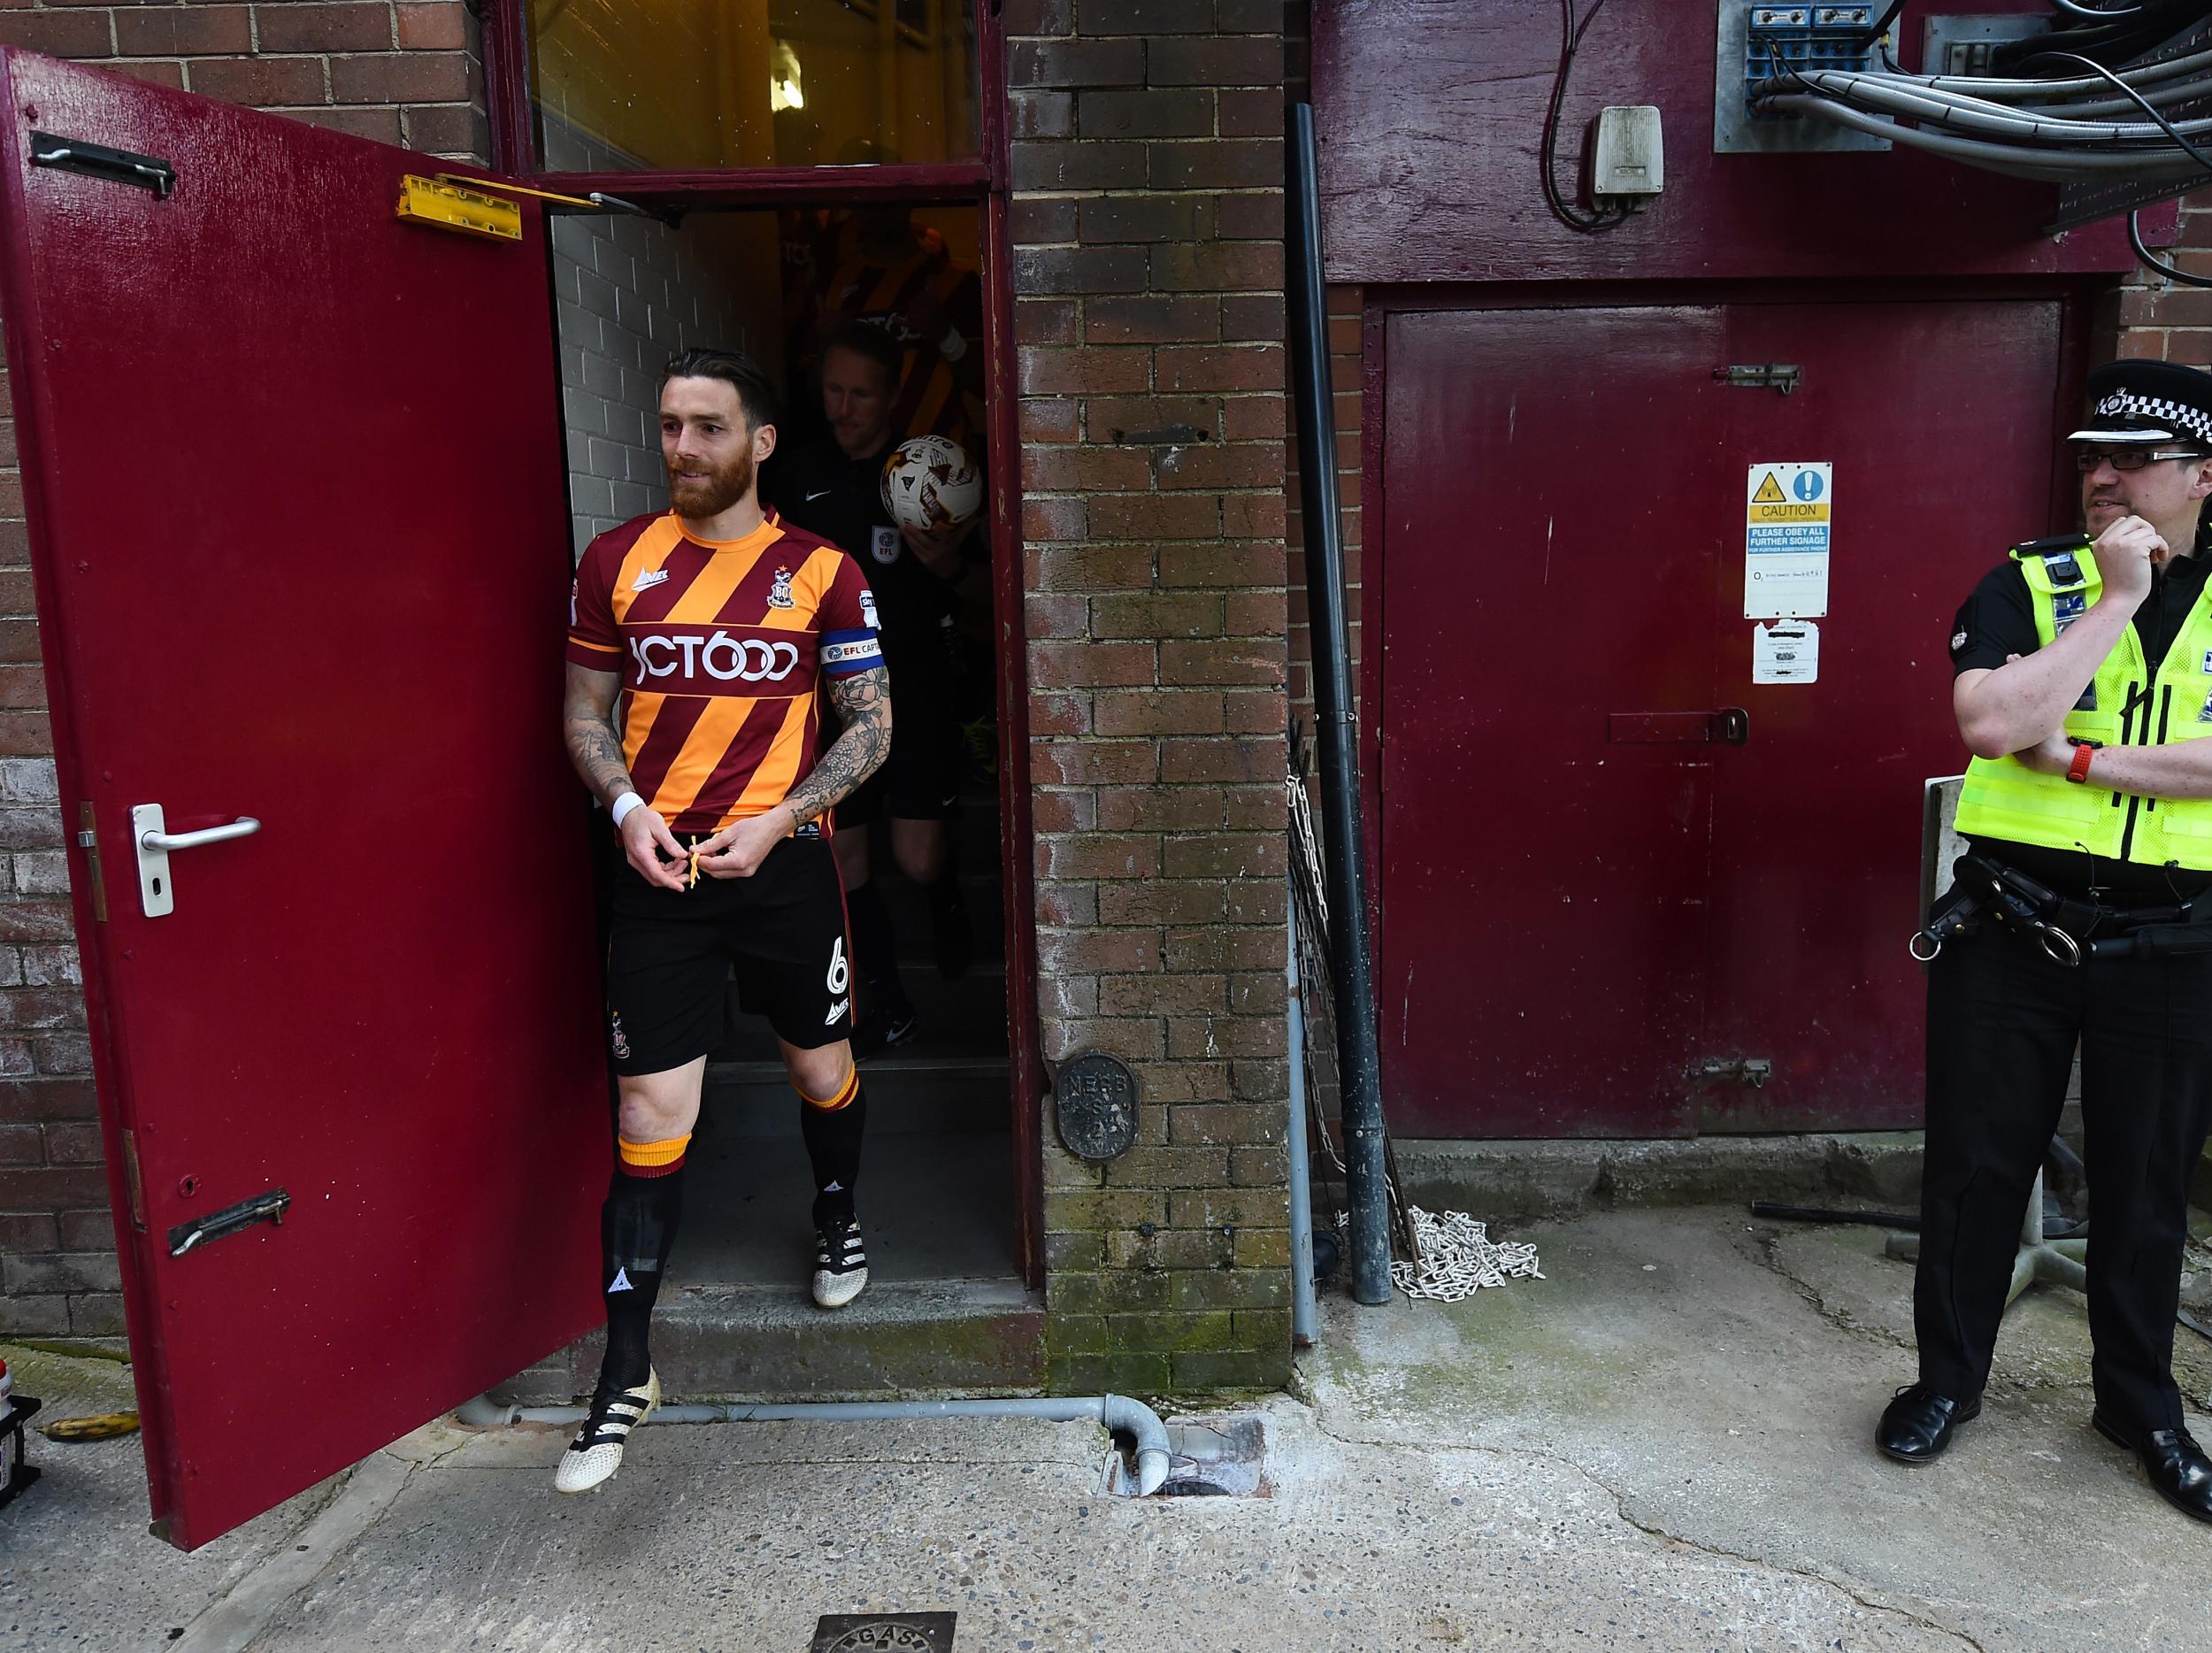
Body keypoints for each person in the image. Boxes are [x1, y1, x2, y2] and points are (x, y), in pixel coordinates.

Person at [1881, 358, 2212, 1526]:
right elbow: (1987, 721)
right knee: (1977, 1169)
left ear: (2202, 475)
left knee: (2146, 1189)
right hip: (2011, 929)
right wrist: (2114, 602)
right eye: (2090, 456)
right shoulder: (2038, 580)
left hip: (2173, 942)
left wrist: (2075, 757)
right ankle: (1947, 1383)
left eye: (2131, 459)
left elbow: (2045, 738)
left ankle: (2139, 1407)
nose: (2103, 476)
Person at [556, 347, 891, 1495]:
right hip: (662, 880)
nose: (682, 449)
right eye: (668, 427)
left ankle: (837, 1211)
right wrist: (625, 804)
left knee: (819, 1067)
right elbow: (585, 710)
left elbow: (869, 727)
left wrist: (785, 815)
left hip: (784, 868)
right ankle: (627, 1369)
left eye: (707, 428)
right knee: (651, 1107)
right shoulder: (617, 562)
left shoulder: (825, 573)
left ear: (759, 442)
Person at [773, 321, 979, 1049]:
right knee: (845, 860)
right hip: (830, 699)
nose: (844, 406)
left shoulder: (931, 477)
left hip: (918, 689)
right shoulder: (793, 478)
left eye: (861, 393)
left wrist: (946, 565)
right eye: (833, 389)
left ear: (892, 397)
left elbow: (989, 593)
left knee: (917, 861)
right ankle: (885, 1001)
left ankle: (946, 894)